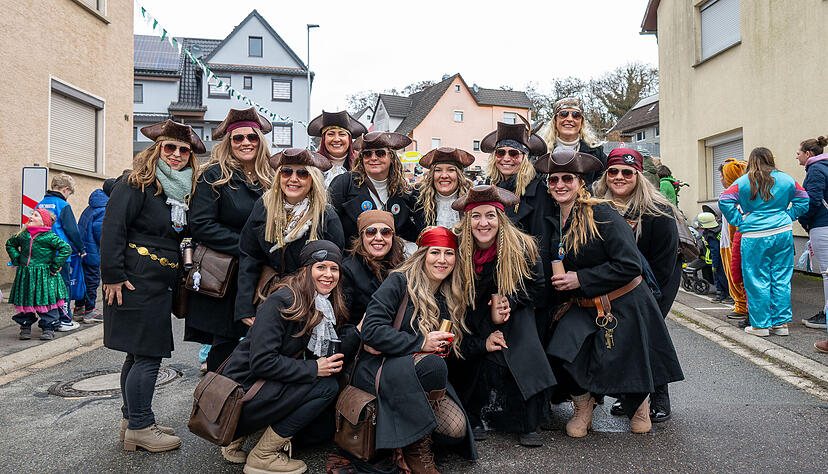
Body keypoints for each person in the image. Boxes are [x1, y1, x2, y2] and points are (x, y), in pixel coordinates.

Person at [534, 149, 684, 438]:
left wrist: (581, 278)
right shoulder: (555, 218)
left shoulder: (601, 211)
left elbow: (630, 265)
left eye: (568, 179)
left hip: (625, 301)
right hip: (584, 303)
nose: (560, 185)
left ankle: (638, 406)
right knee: (561, 349)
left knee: (630, 361)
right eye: (554, 180)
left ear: (581, 183)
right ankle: (583, 407)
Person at [101, 119, 203, 452]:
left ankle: (132, 419)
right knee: (148, 356)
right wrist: (112, 275)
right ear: (156, 149)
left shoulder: (182, 190)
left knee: (137, 353)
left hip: (160, 283)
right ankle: (141, 428)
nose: (176, 155)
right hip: (134, 281)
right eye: (169, 147)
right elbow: (113, 228)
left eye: (183, 150)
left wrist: (188, 257)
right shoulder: (135, 183)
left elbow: (181, 235)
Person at [222, 240, 359, 472]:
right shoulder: (282, 300)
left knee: (326, 384)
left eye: (334, 269)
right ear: (305, 270)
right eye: (321, 267)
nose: (328, 275)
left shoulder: (320, 303)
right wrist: (315, 368)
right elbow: (262, 362)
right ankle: (263, 455)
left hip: (254, 389)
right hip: (239, 394)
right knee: (326, 387)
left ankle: (237, 437)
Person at [354, 226, 476, 472]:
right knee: (432, 363)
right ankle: (415, 449)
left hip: (420, 375)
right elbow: (371, 330)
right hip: (383, 369)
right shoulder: (398, 280)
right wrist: (421, 342)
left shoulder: (449, 292)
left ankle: (409, 435)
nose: (442, 260)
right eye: (435, 253)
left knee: (456, 430)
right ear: (422, 254)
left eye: (449, 254)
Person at [450, 185, 555, 447]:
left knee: (521, 343)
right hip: (473, 314)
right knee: (472, 347)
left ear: (501, 218)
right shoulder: (457, 246)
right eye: (476, 216)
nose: (483, 223)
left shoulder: (523, 247)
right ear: (467, 220)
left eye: (490, 216)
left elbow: (539, 289)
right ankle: (474, 414)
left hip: (515, 312)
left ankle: (527, 418)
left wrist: (511, 301)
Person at [592, 147, 682, 422]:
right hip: (617, 287)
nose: (620, 177)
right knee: (622, 339)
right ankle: (631, 396)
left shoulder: (659, 211)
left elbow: (665, 263)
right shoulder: (596, 208)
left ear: (638, 175)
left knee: (649, 337)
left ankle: (658, 395)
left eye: (627, 172)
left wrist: (651, 301)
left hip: (656, 284)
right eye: (614, 172)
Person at [185, 107, 276, 373]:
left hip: (261, 275)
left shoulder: (272, 178)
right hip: (226, 275)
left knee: (262, 343)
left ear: (260, 142)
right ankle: (215, 406)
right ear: (228, 142)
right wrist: (249, 248)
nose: (246, 143)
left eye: (252, 138)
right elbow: (201, 225)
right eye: (238, 138)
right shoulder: (213, 175)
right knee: (224, 347)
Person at [235, 148, 344, 325]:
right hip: (270, 297)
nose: (293, 178)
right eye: (287, 171)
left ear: (313, 179)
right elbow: (249, 257)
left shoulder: (326, 215)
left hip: (310, 301)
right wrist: (245, 306)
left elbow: (337, 267)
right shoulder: (264, 208)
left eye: (302, 173)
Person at [719, 147, 809, 337]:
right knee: (781, 278)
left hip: (753, 235)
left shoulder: (743, 181)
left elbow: (725, 199)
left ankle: (760, 325)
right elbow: (804, 199)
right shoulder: (786, 179)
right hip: (782, 232)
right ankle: (781, 324)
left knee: (755, 278)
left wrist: (739, 220)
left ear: (752, 161)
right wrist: (788, 215)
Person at [329, 131, 419, 243]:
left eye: (380, 153)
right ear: (362, 159)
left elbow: (406, 228)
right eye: (367, 154)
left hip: (386, 257)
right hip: (350, 257)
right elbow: (328, 223)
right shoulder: (344, 183)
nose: (373, 158)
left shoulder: (401, 191)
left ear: (391, 157)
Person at [6, 208, 70, 341]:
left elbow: (66, 248)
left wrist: (55, 265)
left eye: (36, 215)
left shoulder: (49, 237)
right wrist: (16, 258)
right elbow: (10, 244)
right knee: (25, 299)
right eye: (32, 215)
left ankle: (48, 327)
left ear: (44, 222)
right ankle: (25, 326)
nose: (31, 217)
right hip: (26, 274)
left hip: (44, 275)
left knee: (45, 300)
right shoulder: (23, 235)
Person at [37, 172, 86, 331]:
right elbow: (72, 230)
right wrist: (81, 248)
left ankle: (51, 320)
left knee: (47, 288)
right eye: (69, 194)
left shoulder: (40, 204)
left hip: (42, 255)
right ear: (65, 189)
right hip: (60, 255)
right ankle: (65, 320)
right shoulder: (63, 205)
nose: (69, 197)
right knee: (63, 287)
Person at [480, 121, 548, 231]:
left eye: (514, 153)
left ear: (524, 158)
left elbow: (541, 237)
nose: (506, 159)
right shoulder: (488, 186)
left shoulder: (538, 190)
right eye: (500, 153)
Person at [341, 210, 405, 322]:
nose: (379, 238)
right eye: (371, 232)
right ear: (361, 237)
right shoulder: (347, 270)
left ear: (392, 237)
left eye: (386, 232)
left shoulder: (403, 267)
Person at [795, 136, 828, 334]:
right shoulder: (824, 166)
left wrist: (804, 220)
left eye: (798, 153)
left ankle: (826, 315)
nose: (796, 156)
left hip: (822, 225)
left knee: (826, 273)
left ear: (808, 154)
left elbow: (812, 200)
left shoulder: (815, 169)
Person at [538, 97, 607, 187]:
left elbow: (603, 183)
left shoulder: (596, 152)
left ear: (581, 122)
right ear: (555, 120)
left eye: (576, 115)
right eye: (564, 114)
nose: (570, 119)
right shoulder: (540, 150)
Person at [412, 147, 474, 231]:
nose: (444, 175)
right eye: (438, 170)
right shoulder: (418, 199)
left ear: (459, 175)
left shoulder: (472, 199)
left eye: (451, 170)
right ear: (432, 175)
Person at [719, 159, 750, 322]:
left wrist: (732, 243)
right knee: (732, 274)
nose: (720, 179)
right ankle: (739, 303)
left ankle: (742, 304)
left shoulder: (737, 198)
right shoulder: (732, 194)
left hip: (734, 244)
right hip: (727, 243)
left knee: (737, 274)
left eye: (722, 176)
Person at [74, 186, 108, 323]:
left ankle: (78, 309)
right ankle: (90, 311)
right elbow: (101, 233)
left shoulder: (92, 206)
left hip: (83, 250)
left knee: (83, 281)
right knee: (92, 282)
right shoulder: (104, 209)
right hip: (93, 253)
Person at [306, 110, 368, 187]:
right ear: (324, 139)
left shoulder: (362, 162)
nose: (336, 139)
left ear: (349, 139)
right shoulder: (312, 163)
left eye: (342, 134)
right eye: (331, 134)